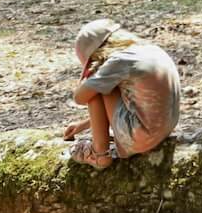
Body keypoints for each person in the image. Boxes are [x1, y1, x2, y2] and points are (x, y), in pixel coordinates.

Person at [63, 19, 181, 169]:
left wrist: (91, 73)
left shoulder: (118, 60)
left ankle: (99, 155)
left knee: (95, 88)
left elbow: (79, 98)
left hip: (143, 137)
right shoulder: (149, 49)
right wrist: (85, 125)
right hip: (164, 131)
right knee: (103, 84)